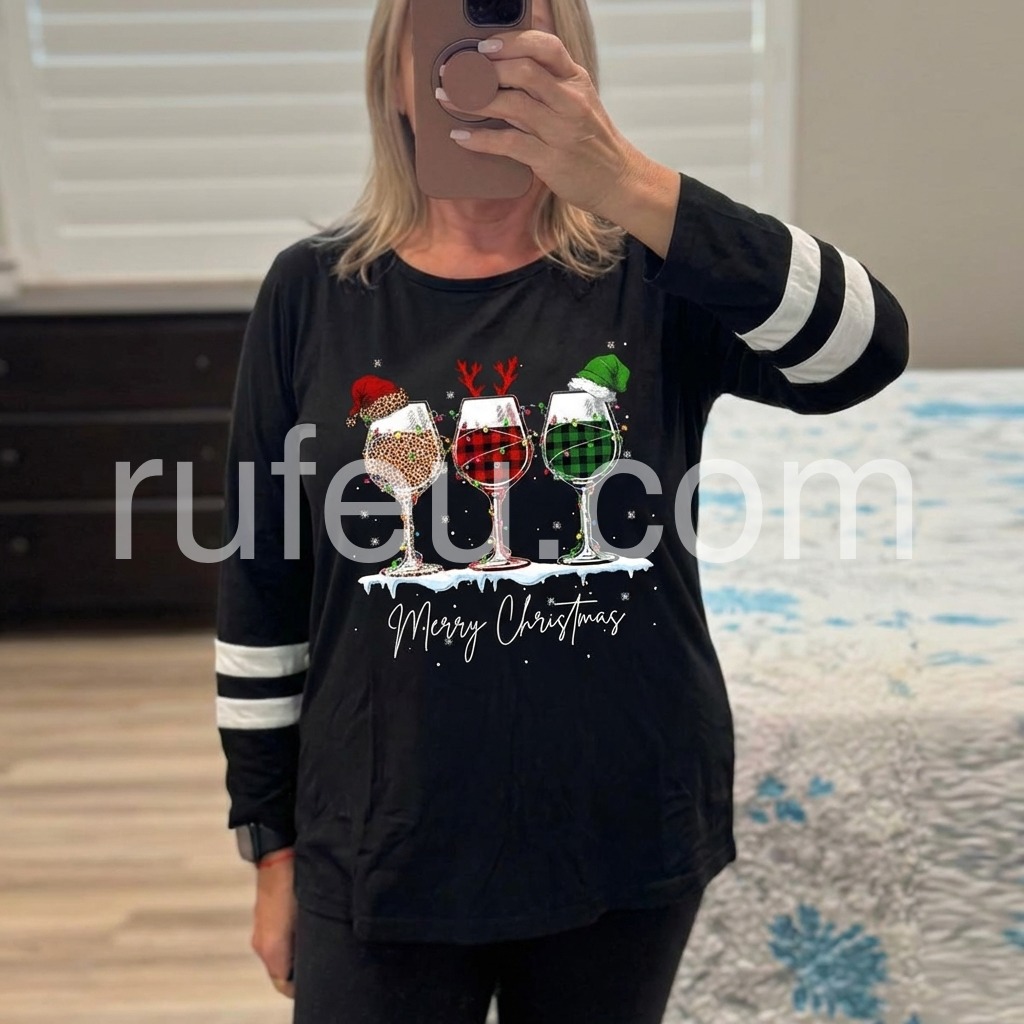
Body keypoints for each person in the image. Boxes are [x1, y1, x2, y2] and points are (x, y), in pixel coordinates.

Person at [213, 0, 910, 1021]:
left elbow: (867, 350)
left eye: (513, 36)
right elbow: (260, 582)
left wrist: (626, 182)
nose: (479, 64)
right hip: (378, 833)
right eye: (444, 38)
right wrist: (269, 846)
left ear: (568, 60)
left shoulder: (654, 272)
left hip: (620, 822)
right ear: (394, 73)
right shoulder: (314, 290)